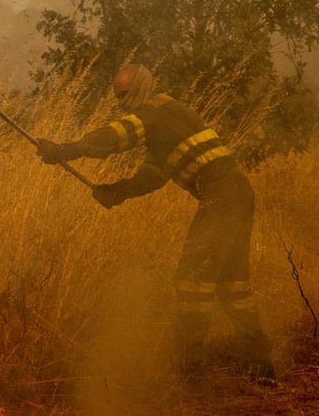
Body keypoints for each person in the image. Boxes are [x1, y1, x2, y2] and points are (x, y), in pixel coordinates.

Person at [37, 64, 276, 384]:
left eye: (123, 95)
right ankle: (260, 364)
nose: (120, 102)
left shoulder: (156, 110)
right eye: (117, 96)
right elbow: (153, 176)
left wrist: (67, 150)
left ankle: (191, 371)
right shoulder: (167, 123)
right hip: (236, 194)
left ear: (138, 89)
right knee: (233, 283)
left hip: (222, 196)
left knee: (192, 280)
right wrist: (118, 191)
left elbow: (117, 135)